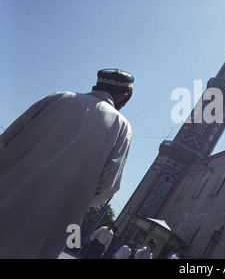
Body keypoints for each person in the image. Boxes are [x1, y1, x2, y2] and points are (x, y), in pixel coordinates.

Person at [0, 69, 134, 259]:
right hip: (46, 227)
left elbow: (5, 141)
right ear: (123, 97)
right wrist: (74, 200)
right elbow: (107, 186)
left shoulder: (59, 98)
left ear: (95, 87)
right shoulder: (121, 127)